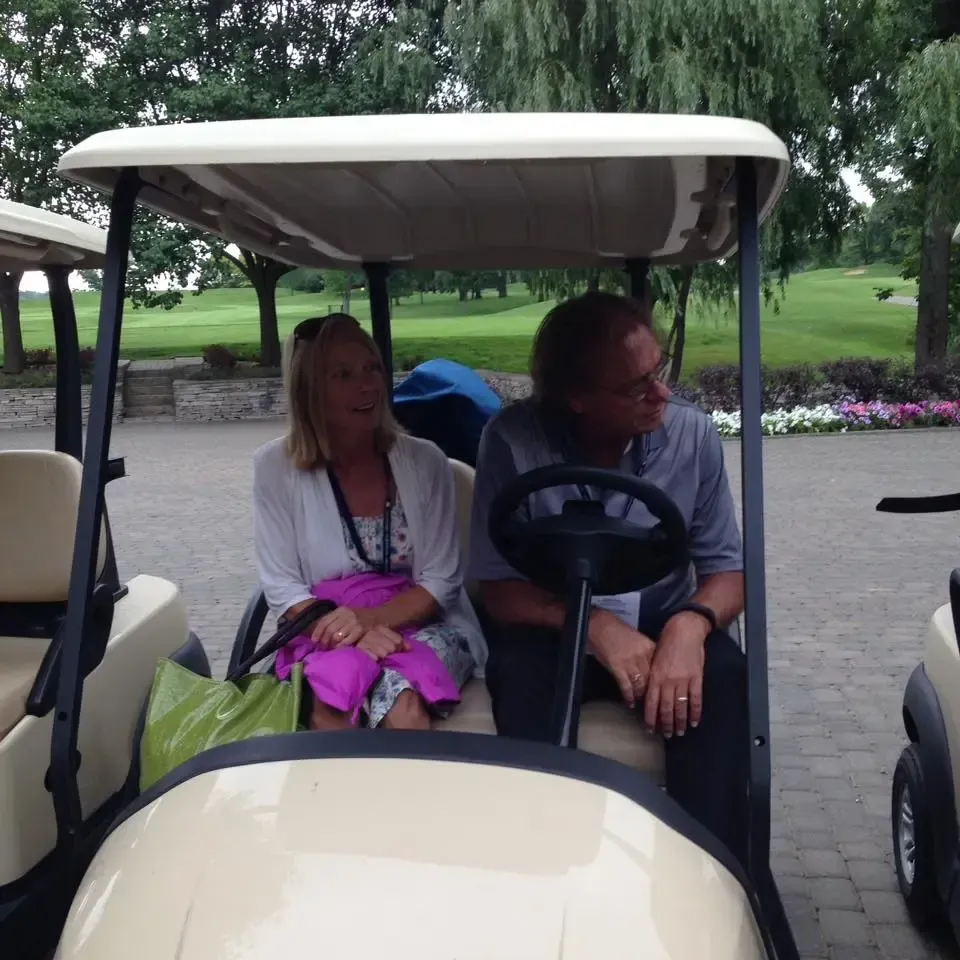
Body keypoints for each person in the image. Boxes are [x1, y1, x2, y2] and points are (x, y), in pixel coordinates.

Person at [468, 290, 749, 866]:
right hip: (554, 626)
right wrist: (591, 624)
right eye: (636, 387)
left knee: (723, 675)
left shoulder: (691, 437)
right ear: (576, 397)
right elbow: (498, 589)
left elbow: (728, 570)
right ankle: (545, 863)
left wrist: (689, 629)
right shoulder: (513, 442)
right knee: (516, 669)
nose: (662, 393)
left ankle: (709, 872)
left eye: (661, 369)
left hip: (665, 623)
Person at [253, 313, 486, 731]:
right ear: (311, 392)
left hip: (422, 623)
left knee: (403, 709)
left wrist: (370, 622)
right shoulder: (275, 467)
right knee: (332, 709)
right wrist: (354, 635)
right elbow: (282, 586)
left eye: (372, 368)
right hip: (324, 626)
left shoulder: (425, 462)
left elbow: (441, 581)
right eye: (342, 375)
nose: (367, 386)